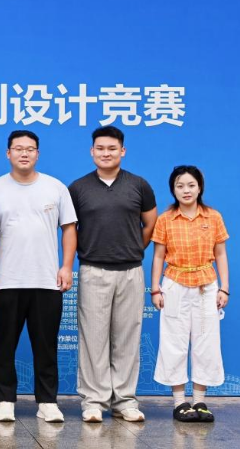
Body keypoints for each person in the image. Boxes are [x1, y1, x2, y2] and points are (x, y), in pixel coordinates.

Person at [0, 130, 77, 423]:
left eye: (30, 149)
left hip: (46, 280)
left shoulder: (55, 187)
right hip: (7, 281)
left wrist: (66, 266)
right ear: (8, 153)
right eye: (18, 148)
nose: (24, 153)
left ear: (37, 154)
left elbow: (69, 228)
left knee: (46, 346)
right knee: (3, 345)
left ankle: (47, 402)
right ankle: (4, 401)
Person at [68, 126, 156, 423]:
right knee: (92, 339)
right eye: (100, 148)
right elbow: (71, 229)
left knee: (127, 338)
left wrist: (131, 249)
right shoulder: (78, 188)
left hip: (131, 271)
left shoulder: (139, 185)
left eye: (112, 148)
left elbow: (150, 224)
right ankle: (93, 401)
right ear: (92, 151)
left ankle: (125, 401)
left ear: (123, 151)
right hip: (93, 270)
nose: (106, 153)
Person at [151, 165, 229, 423]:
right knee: (174, 342)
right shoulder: (165, 219)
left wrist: (224, 288)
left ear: (200, 187)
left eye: (191, 185)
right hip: (174, 283)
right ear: (173, 190)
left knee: (206, 342)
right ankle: (180, 403)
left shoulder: (213, 217)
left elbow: (220, 254)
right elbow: (158, 256)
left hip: (207, 284)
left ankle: (200, 401)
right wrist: (155, 289)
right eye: (180, 186)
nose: (186, 190)